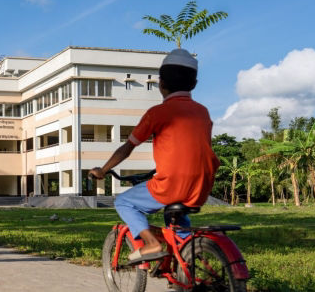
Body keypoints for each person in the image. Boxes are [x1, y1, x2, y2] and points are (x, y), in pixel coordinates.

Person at [89, 48, 220, 265]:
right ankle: (189, 258)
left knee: (124, 202)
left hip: (172, 184)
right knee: (176, 220)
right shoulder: (203, 111)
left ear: (160, 84)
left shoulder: (157, 113)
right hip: (202, 185)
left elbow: (127, 147)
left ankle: (151, 243)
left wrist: (103, 170)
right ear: (194, 84)